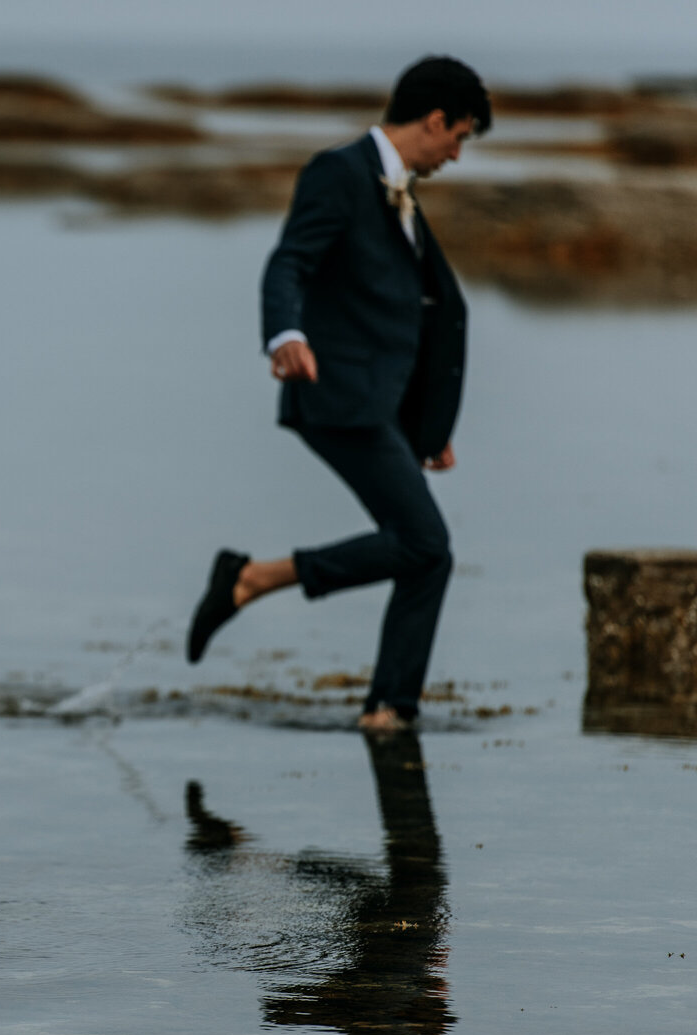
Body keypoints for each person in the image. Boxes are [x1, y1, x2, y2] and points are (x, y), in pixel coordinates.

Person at [186, 56, 491, 731]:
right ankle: (254, 581)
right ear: (436, 119)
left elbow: (416, 312)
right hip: (334, 393)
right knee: (426, 544)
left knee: (425, 553)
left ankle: (390, 706)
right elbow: (289, 260)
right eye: (460, 137)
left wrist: (427, 430)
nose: (457, 155)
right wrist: (284, 334)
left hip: (375, 404)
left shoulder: (398, 193)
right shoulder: (339, 173)